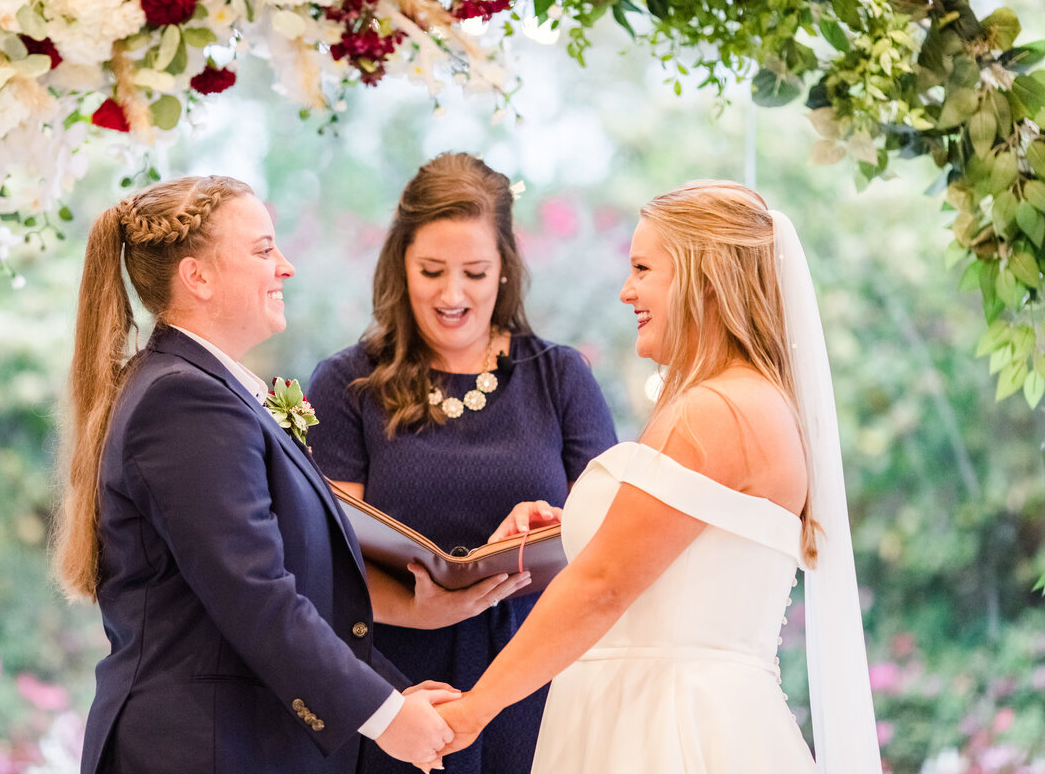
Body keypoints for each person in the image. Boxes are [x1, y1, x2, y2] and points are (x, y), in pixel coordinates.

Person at [432, 181, 882, 772]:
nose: (626, 291)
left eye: (643, 268)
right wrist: (577, 530)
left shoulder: (713, 411)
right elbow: (693, 562)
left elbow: (604, 588)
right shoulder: (758, 404)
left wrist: (469, 713)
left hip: (666, 730)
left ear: (705, 278)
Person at [53, 175, 460, 774]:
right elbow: (255, 594)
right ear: (198, 276)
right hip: (199, 751)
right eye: (263, 249)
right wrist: (387, 717)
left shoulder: (200, 391)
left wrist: (392, 696)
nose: (286, 267)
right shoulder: (183, 402)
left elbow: (295, 589)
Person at [307, 152, 618, 774]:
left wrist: (547, 530)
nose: (453, 295)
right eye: (432, 271)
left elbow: (611, 548)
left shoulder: (559, 378)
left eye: (475, 272)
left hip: (536, 677)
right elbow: (324, 565)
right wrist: (422, 608)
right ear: (401, 265)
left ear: (505, 269)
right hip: (396, 689)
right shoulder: (347, 384)